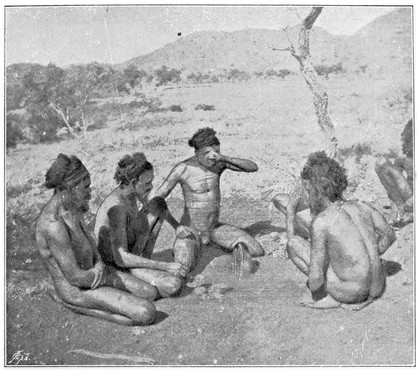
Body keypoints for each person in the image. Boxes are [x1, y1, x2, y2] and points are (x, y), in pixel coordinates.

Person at [35, 154, 156, 326]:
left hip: (95, 273)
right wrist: (103, 277)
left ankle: (107, 293)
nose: (90, 192)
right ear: (70, 188)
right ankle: (76, 306)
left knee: (150, 292)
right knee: (146, 313)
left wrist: (99, 264)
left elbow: (91, 245)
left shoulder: (73, 207)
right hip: (77, 287)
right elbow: (75, 278)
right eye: (85, 187)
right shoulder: (53, 226)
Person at [278, 151, 396, 310]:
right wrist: (366, 257)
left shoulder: (322, 221)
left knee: (294, 244)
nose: (307, 195)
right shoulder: (362, 207)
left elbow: (316, 278)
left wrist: (316, 286)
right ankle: (364, 294)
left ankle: (329, 298)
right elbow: (389, 235)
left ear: (317, 190)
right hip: (377, 286)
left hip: (351, 293)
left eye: (308, 189)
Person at [152, 127, 265, 277]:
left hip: (213, 228)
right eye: (206, 154)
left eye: (215, 153)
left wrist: (222, 157)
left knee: (257, 250)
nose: (211, 158)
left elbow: (253, 167)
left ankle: (220, 247)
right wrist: (176, 226)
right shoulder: (182, 169)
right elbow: (156, 200)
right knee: (183, 268)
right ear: (196, 152)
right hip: (191, 231)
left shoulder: (218, 164)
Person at [94, 153, 186, 299]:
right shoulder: (117, 207)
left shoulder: (130, 193)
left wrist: (176, 226)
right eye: (147, 183)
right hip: (116, 264)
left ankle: (145, 264)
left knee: (158, 203)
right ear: (134, 182)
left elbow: (157, 206)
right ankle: (136, 278)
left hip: (130, 251)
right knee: (173, 286)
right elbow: (121, 258)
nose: (151, 186)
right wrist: (164, 266)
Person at [375, 119, 413, 227]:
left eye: (407, 141)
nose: (404, 143)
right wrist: (395, 209)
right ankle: (399, 213)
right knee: (381, 164)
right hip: (408, 200)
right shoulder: (403, 160)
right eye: (405, 140)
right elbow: (391, 186)